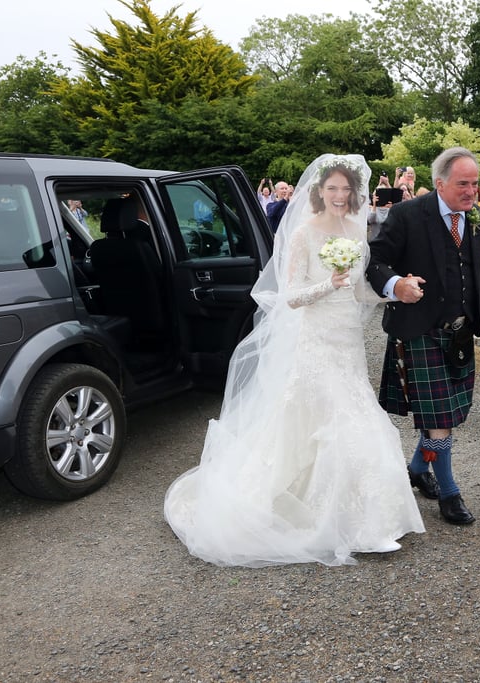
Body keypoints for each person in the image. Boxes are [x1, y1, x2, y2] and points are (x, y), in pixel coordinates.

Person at [164, 154, 424, 567]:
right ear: (319, 192)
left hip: (348, 341)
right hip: (314, 340)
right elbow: (290, 296)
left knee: (354, 417)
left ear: (355, 194)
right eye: (332, 188)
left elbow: (357, 293)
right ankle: (359, 528)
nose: (340, 196)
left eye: (346, 189)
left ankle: (370, 520)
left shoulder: (356, 234)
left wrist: (397, 291)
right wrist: (328, 283)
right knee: (338, 422)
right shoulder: (303, 233)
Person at [367, 147, 480, 525]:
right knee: (439, 415)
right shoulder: (408, 215)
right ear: (440, 183)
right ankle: (448, 491)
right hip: (418, 329)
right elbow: (374, 261)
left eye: (475, 184)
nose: (471, 191)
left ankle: (416, 468)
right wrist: (396, 285)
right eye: (463, 184)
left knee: (442, 413)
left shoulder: (475, 218)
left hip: (459, 332)